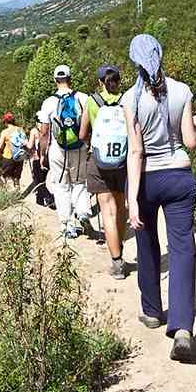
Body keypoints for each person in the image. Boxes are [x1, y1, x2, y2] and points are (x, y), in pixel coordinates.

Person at [123, 34, 196, 362]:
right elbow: (190, 142)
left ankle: (153, 311)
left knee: (147, 244)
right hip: (179, 175)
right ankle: (182, 327)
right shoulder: (182, 91)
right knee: (182, 247)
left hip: (147, 181)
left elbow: (136, 151)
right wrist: (194, 124)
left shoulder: (130, 99)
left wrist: (133, 198)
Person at [80, 64, 129, 280]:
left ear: (100, 82)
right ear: (118, 81)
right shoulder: (128, 99)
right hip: (124, 161)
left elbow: (82, 134)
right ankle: (120, 248)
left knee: (107, 211)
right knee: (120, 209)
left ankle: (117, 263)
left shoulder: (92, 101)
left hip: (99, 162)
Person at [39, 65, 93, 239]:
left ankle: (67, 224)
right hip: (80, 146)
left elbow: (44, 132)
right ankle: (83, 211)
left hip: (57, 148)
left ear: (55, 81)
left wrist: (42, 153)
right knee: (79, 181)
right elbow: (90, 124)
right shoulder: (83, 98)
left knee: (61, 186)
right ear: (70, 79)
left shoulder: (49, 102)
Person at [28, 112, 55, 209]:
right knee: (45, 179)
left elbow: (30, 146)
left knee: (38, 181)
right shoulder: (49, 130)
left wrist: (24, 144)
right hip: (49, 159)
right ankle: (43, 199)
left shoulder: (34, 131)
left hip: (37, 158)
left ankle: (47, 199)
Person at [0, 112, 26, 189]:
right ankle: (18, 194)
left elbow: (0, 147)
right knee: (17, 178)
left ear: (5, 122)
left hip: (8, 157)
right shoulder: (20, 129)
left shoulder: (5, 132)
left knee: (7, 178)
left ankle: (11, 198)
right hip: (20, 156)